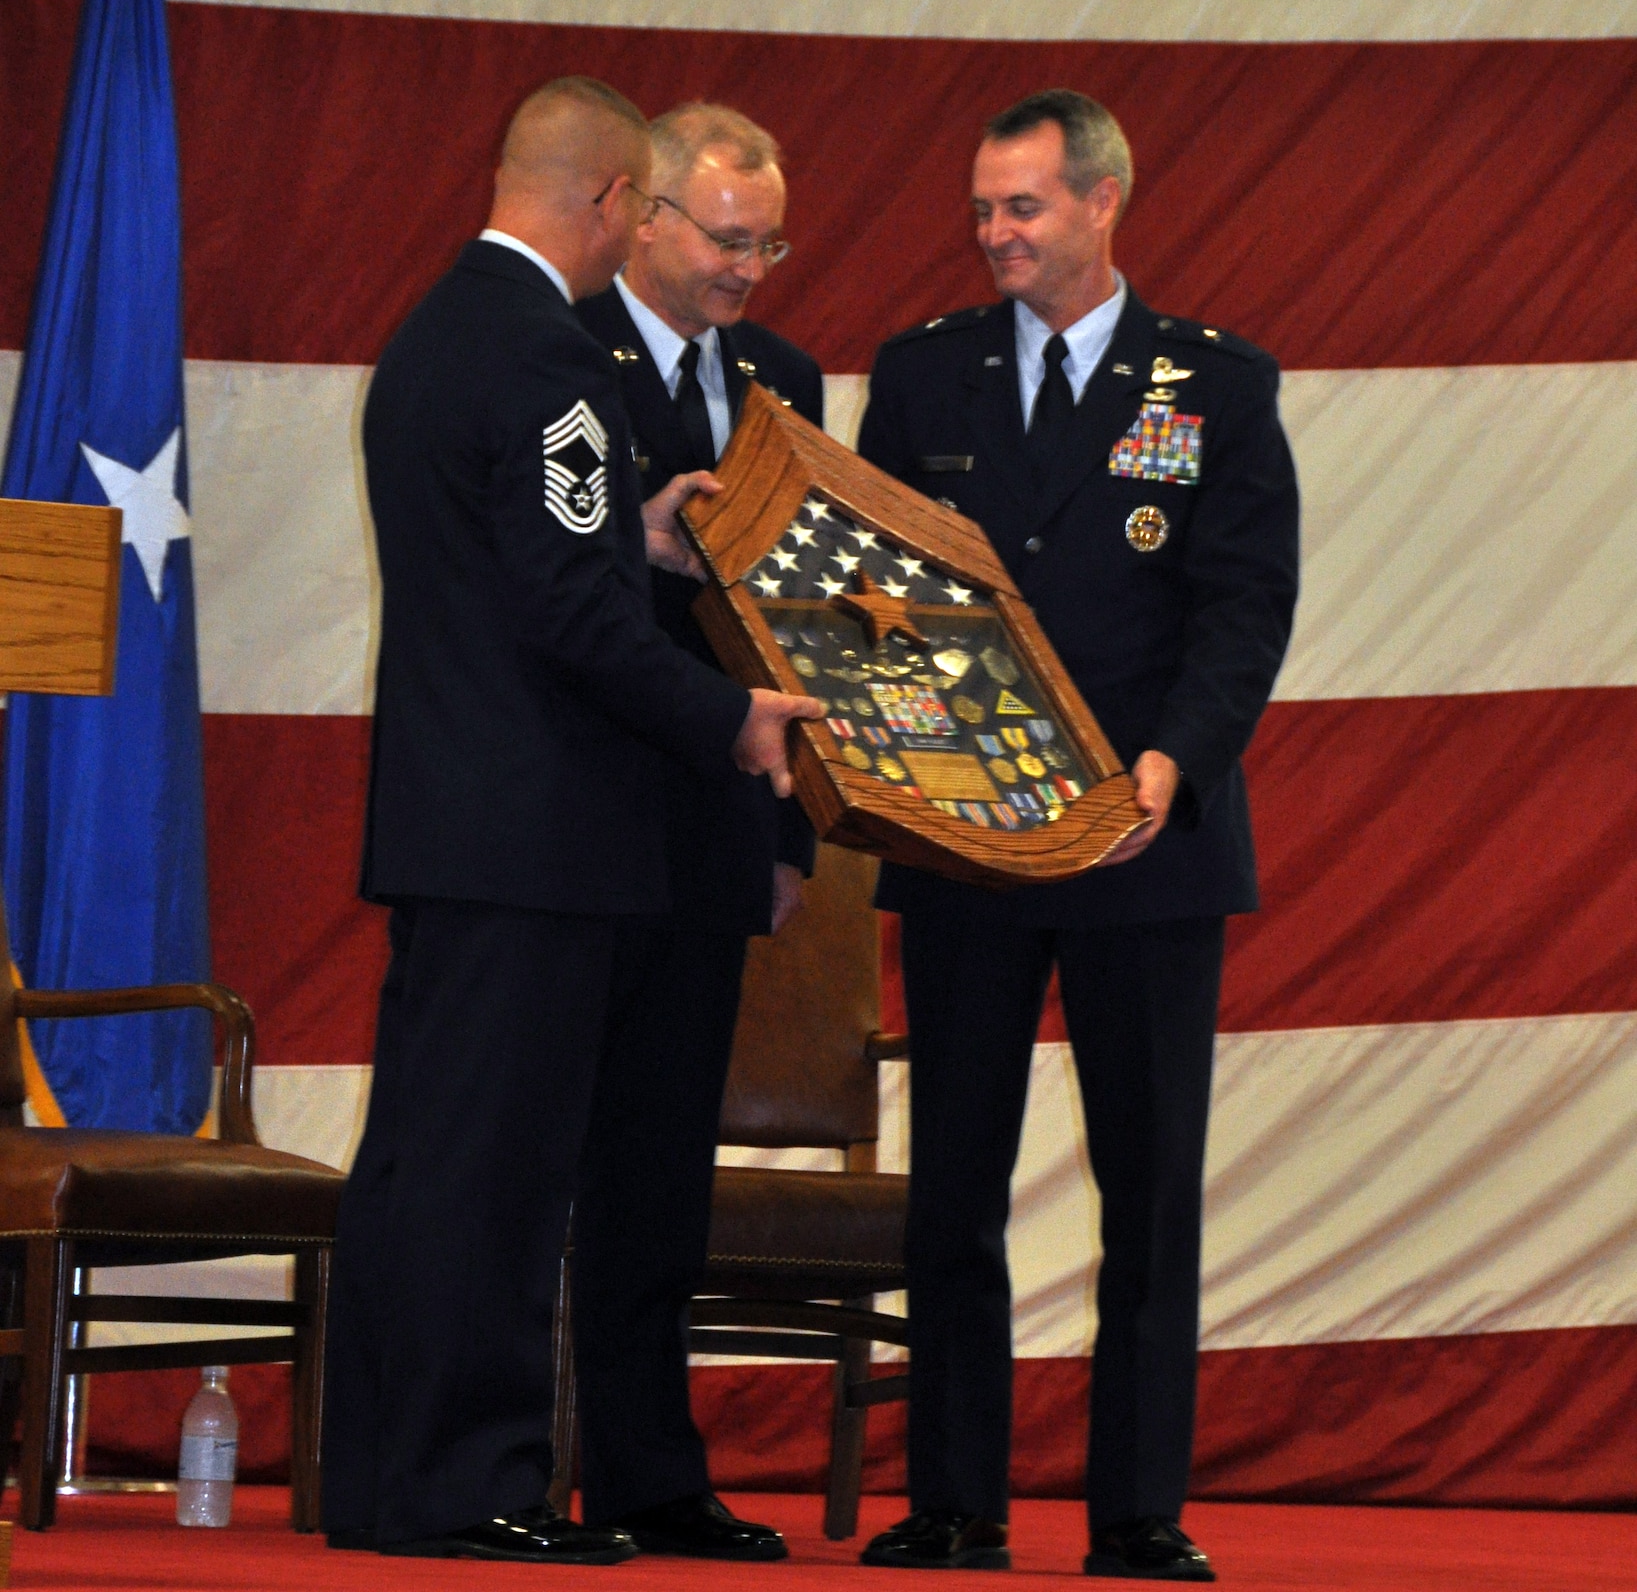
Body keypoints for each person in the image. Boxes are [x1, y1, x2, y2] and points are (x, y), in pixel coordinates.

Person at [320, 77, 820, 1565]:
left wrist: (639, 535)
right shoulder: (548, 361)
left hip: (462, 825)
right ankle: (476, 1480)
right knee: (490, 1179)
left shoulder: (436, 336)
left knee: (426, 1161)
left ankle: (390, 1477)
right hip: (537, 840)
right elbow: (572, 623)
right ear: (616, 201)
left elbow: (526, 560)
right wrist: (729, 718)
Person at [856, 90, 1299, 1581]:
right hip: (970, 837)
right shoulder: (922, 380)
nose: (992, 235)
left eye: (1022, 207)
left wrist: (1172, 764)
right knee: (953, 1185)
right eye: (981, 209)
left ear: (1106, 199)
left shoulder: (1215, 386)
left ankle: (1135, 1513)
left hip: (1147, 839)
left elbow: (1243, 606)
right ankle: (953, 1502)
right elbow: (877, 603)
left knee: (1148, 1188)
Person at [571, 104, 823, 1559]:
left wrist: (790, 842)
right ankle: (496, 1459)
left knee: (660, 1176)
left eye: (767, 241)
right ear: (645, 215)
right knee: (535, 1157)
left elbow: (801, 626)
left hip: (718, 825)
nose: (747, 269)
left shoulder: (785, 381)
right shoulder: (563, 360)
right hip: (572, 819)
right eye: (725, 237)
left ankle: (651, 1478)